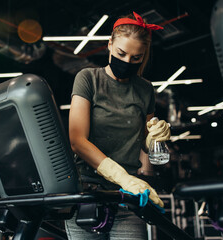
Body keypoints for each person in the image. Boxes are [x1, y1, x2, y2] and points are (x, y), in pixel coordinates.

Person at [65, 11, 171, 240]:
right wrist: (122, 177)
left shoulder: (145, 89)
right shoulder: (88, 79)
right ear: (110, 45)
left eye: (136, 58)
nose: (127, 62)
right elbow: (77, 141)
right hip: (88, 193)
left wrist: (155, 138)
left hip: (127, 198)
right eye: (121, 53)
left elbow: (145, 142)